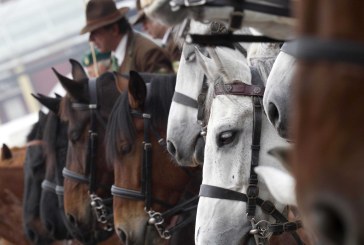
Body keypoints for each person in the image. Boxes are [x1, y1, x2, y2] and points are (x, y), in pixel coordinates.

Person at [80, 0, 174, 74]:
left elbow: (163, 94)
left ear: (114, 30)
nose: (91, 39)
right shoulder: (116, 57)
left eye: (95, 33)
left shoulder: (147, 54)